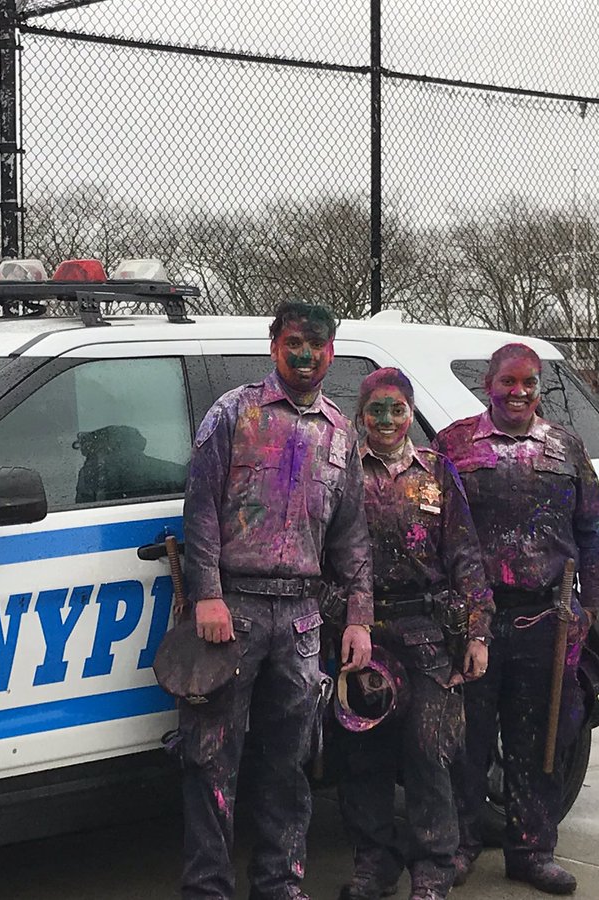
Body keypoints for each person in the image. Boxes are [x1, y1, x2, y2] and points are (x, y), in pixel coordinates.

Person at [180, 301, 374, 900]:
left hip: (301, 620)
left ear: (331, 352)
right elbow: (200, 509)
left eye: (317, 345)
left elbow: (352, 536)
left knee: (289, 760)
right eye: (294, 343)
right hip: (232, 611)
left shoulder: (340, 433)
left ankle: (280, 882)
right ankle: (208, 887)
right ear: (273, 347)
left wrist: (360, 618)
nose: (305, 355)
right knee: (211, 756)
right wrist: (207, 596)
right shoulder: (233, 413)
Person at [435, 343, 599, 896]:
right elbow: (431, 527)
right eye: (508, 381)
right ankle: (459, 846)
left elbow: (593, 530)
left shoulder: (566, 447)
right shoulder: (454, 445)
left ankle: (533, 850)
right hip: (473, 623)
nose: (519, 392)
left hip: (545, 619)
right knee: (466, 738)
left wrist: (589, 606)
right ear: (488, 383)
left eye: (529, 382)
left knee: (540, 739)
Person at [336, 368, 494, 900]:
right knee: (364, 754)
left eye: (397, 409)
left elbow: (466, 557)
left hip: (428, 632)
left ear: (410, 413)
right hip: (360, 633)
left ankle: (432, 870)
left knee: (429, 751)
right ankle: (374, 866)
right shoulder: (342, 473)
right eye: (376, 410)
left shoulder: (437, 472)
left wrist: (477, 632)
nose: (386, 420)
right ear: (361, 415)